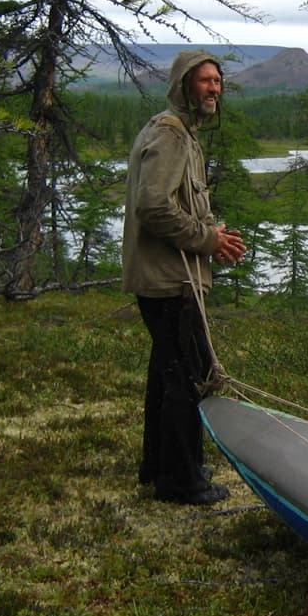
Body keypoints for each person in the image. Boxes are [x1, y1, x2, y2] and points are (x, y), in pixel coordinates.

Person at [122, 49, 246, 505]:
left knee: (167, 372)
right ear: (183, 85)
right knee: (188, 377)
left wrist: (211, 234)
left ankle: (160, 465)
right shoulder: (172, 136)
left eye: (217, 82)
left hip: (168, 277)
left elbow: (173, 205)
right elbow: (152, 206)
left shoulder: (180, 134)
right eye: (204, 81)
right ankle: (181, 482)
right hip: (169, 280)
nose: (213, 89)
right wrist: (207, 240)